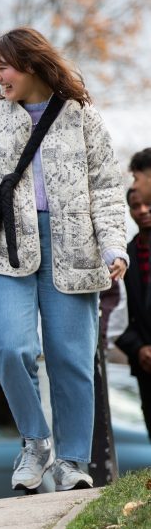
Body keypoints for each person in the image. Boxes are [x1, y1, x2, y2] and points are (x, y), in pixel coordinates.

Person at [0, 27, 128, 492]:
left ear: (30, 63)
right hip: (7, 250)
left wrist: (113, 245)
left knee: (72, 359)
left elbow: (105, 188)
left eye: (3, 67)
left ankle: (73, 462)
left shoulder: (83, 118)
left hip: (75, 251)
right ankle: (36, 442)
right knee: (12, 345)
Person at [115, 186, 151, 440]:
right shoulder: (124, 258)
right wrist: (138, 348)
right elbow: (113, 311)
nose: (143, 211)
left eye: (148, 204)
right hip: (145, 363)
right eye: (136, 206)